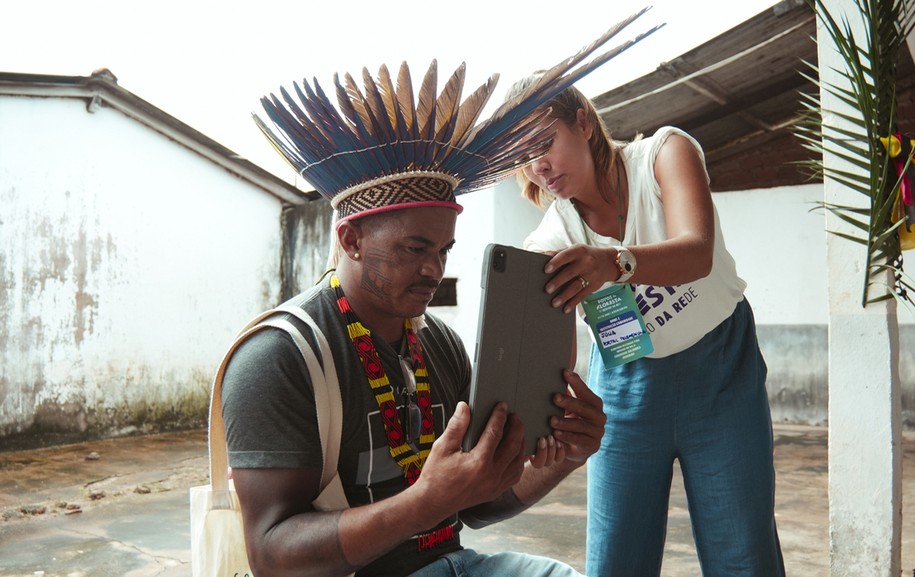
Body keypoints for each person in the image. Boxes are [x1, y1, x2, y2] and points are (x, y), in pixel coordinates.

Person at [220, 11, 662, 577]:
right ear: (351, 239)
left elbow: (475, 504)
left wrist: (564, 459)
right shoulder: (279, 356)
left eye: (445, 250)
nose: (434, 269)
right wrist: (425, 500)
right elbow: (271, 553)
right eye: (413, 249)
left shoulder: (440, 348)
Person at [513, 78, 786, 577]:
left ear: (583, 122)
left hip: (723, 372)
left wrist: (614, 263)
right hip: (624, 393)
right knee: (616, 559)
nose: (539, 166)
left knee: (743, 554)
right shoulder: (557, 233)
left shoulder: (664, 153)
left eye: (544, 143)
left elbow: (697, 250)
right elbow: (523, 320)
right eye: (525, 156)